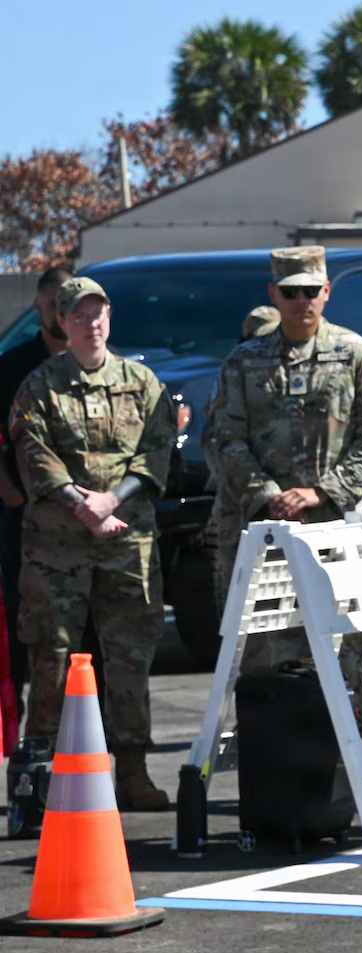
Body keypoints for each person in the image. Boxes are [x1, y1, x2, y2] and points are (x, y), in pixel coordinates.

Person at [203, 247, 362, 736]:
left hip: (335, 528)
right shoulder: (244, 362)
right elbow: (224, 438)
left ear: (327, 292)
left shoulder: (355, 354)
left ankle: (350, 755)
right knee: (267, 649)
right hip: (266, 531)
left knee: (345, 642)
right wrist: (268, 494)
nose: (301, 301)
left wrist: (324, 492)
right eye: (291, 292)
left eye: (311, 291)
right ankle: (276, 761)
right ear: (274, 294)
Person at [10, 277, 175, 810]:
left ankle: (132, 772)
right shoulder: (40, 385)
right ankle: (40, 778)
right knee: (51, 656)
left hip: (126, 541)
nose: (91, 324)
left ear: (110, 316)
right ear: (61, 322)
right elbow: (33, 453)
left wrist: (110, 501)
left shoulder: (141, 382)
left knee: (129, 656)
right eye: (79, 315)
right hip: (57, 547)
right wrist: (80, 503)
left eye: (98, 313)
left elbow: (156, 453)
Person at [0, 265, 73, 719]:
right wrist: (8, 489)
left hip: (79, 522)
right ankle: (14, 725)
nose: (59, 314)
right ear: (37, 307)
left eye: (67, 306)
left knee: (75, 633)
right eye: (51, 305)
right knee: (19, 623)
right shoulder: (11, 367)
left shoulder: (97, 364)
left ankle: (76, 726)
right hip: (23, 519)